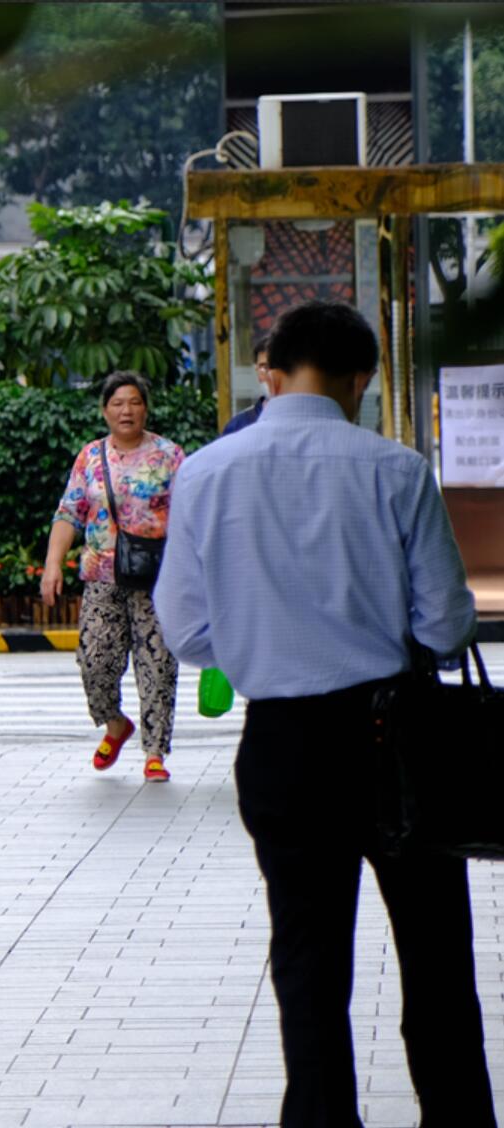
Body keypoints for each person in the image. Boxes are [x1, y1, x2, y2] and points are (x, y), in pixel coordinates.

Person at [154, 300, 491, 1125]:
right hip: (399, 743)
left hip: (282, 745)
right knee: (435, 957)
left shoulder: (204, 473)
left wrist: (266, 639)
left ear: (270, 372)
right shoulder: (395, 470)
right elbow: (446, 626)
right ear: (359, 379)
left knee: (306, 964)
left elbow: (186, 630)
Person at [41, 371, 186, 782]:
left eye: (135, 402)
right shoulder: (90, 456)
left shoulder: (170, 456)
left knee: (157, 665)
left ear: (146, 408)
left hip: (157, 578)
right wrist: (53, 563)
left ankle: (155, 752)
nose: (127, 410)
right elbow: (69, 512)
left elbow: (191, 514)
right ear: (105, 411)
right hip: (103, 576)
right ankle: (116, 724)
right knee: (94, 662)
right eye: (118, 403)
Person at [221, 333, 273, 436]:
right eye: (264, 367)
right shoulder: (238, 425)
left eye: (277, 366)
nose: (272, 375)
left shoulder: (303, 421)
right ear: (256, 370)